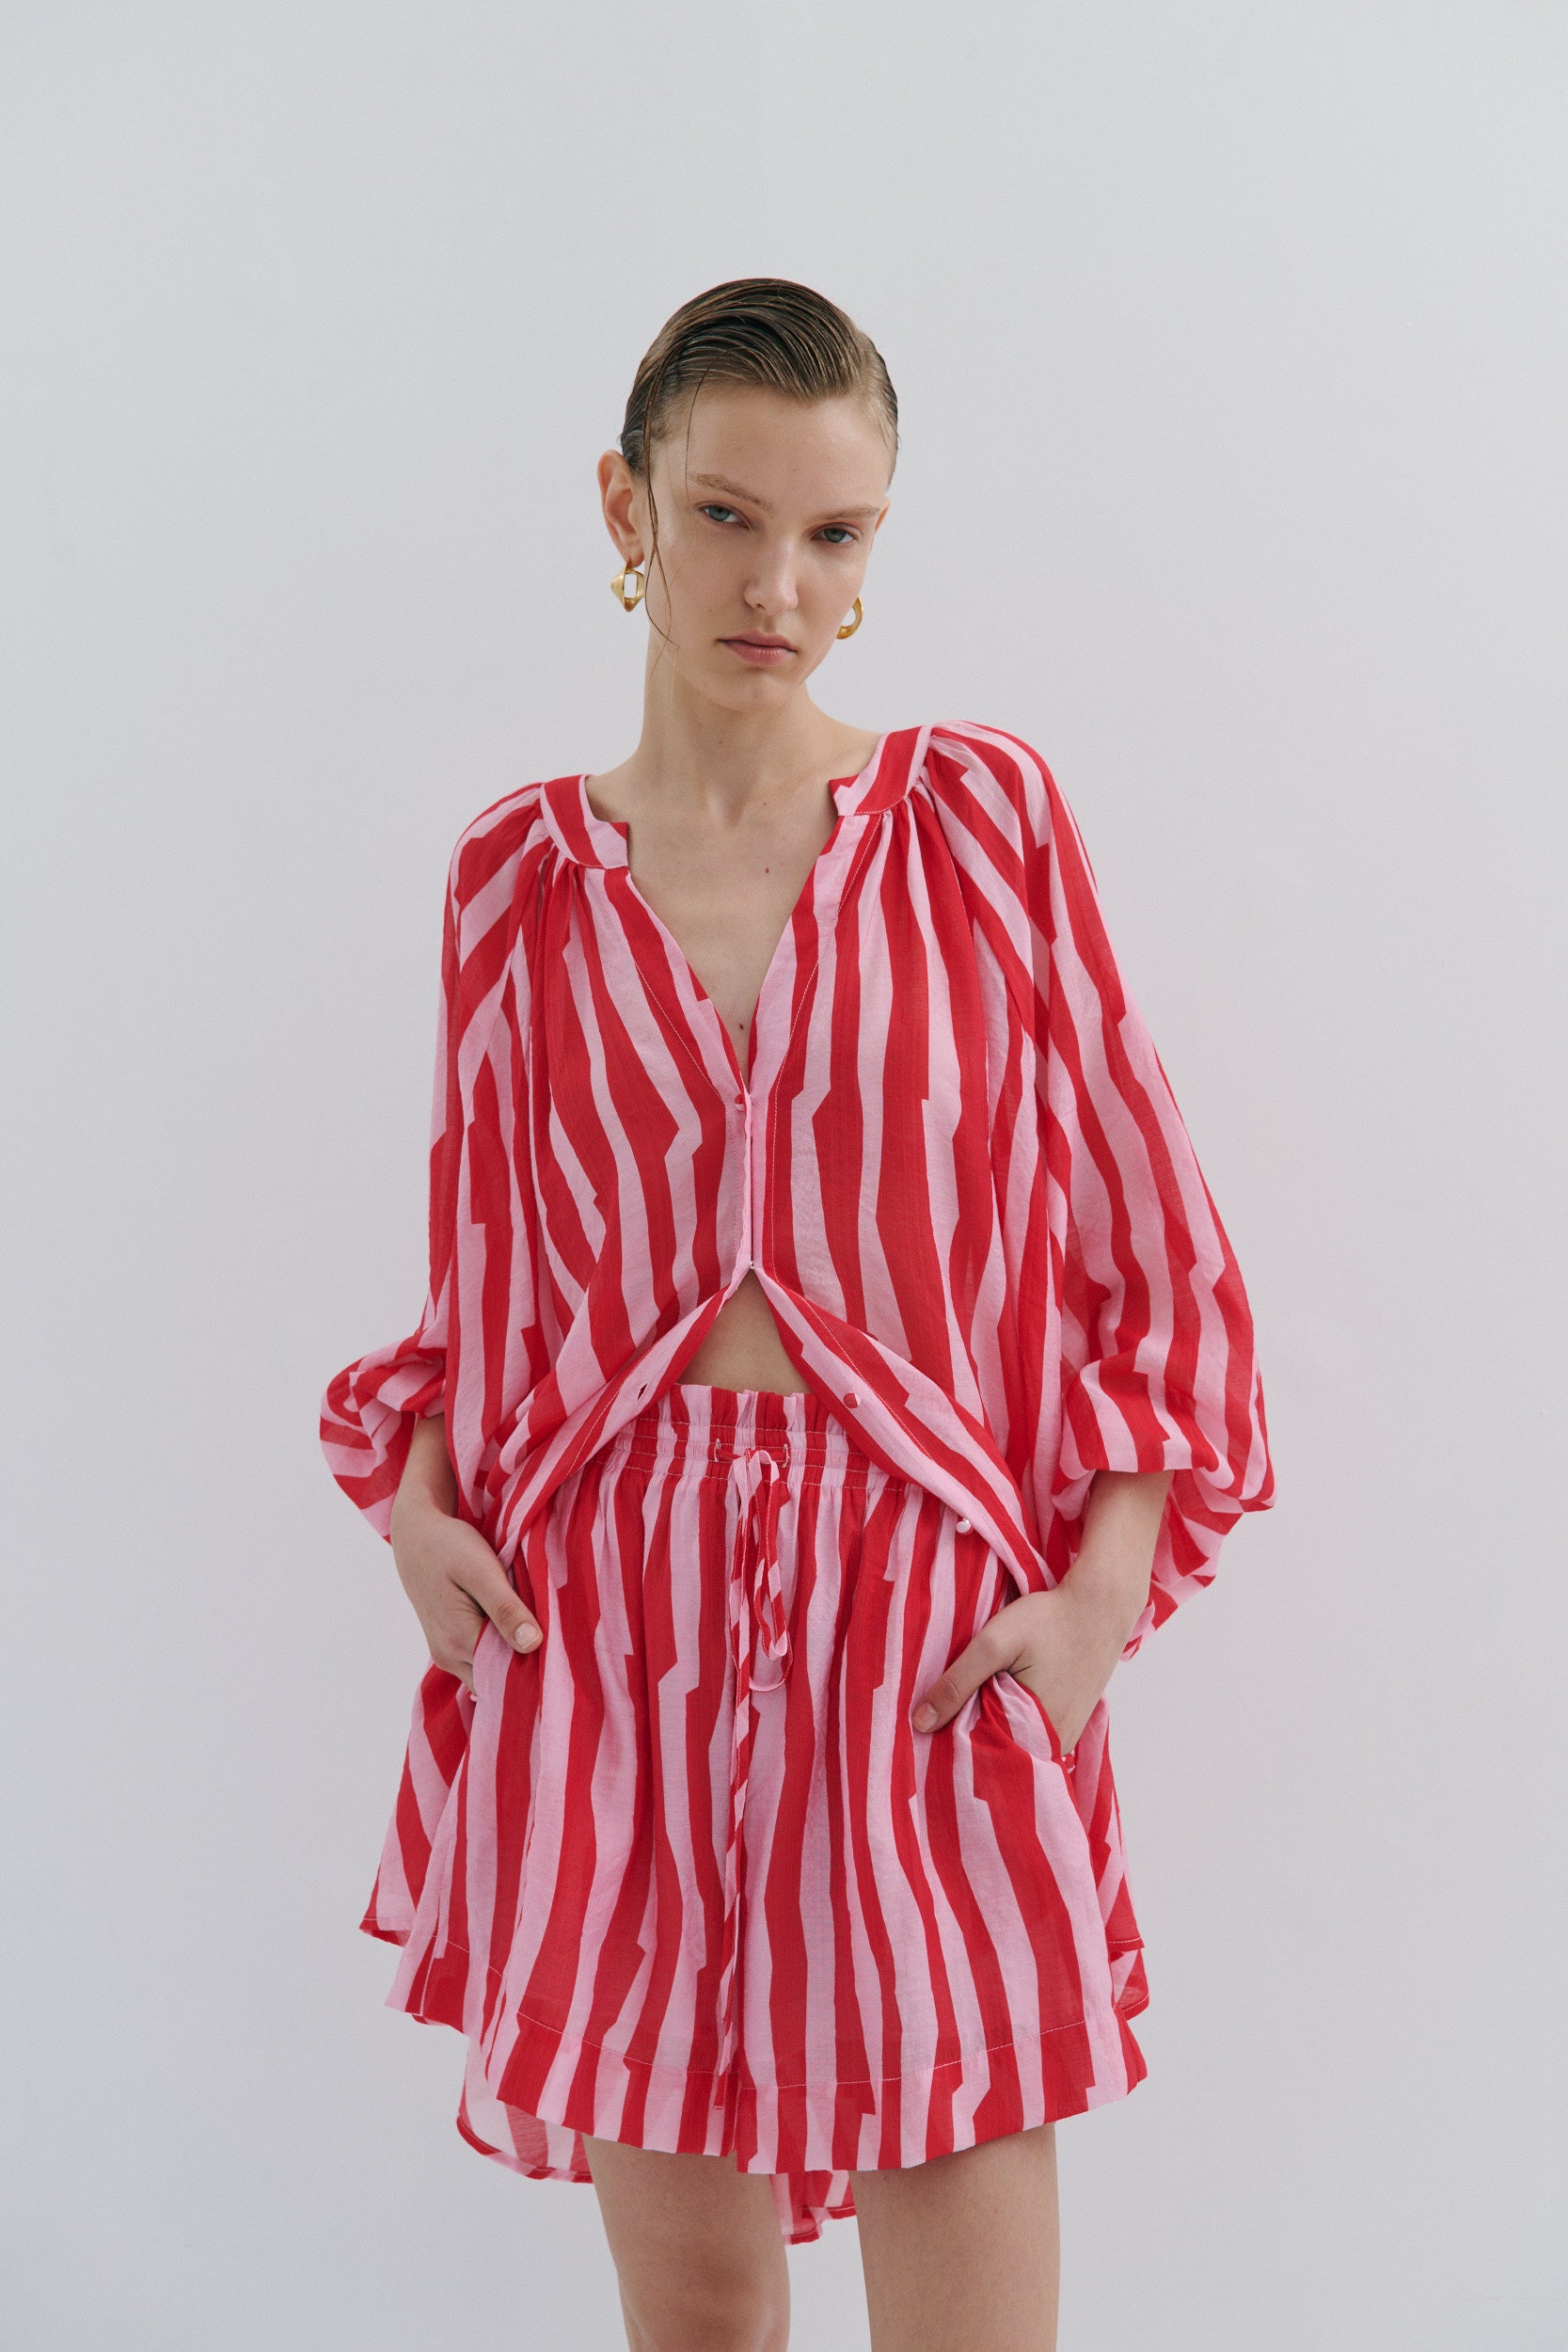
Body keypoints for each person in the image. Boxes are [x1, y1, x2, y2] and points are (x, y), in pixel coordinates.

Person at [319, 277, 1275, 2352]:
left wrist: (1096, 1599)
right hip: (611, 1623)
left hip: (926, 1621)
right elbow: (480, 1283)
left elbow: (1156, 1247)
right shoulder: (513, 880)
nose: (781, 583)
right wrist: (415, 1502)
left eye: (837, 534)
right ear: (626, 504)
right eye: (728, 515)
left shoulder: (983, 826)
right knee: (701, 2317)